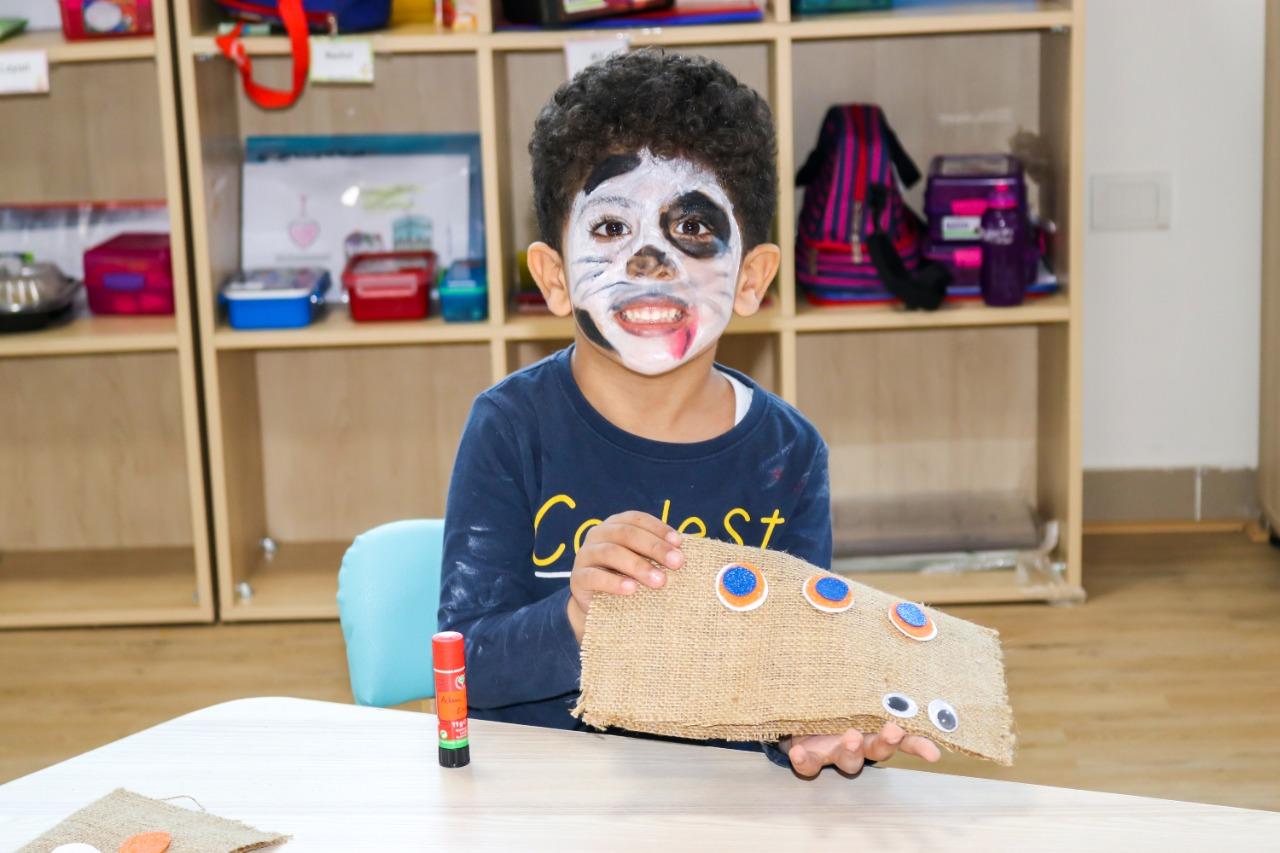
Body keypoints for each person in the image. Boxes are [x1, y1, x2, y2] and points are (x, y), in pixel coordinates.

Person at [438, 48, 940, 777]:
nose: (650, 260)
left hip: (723, 810)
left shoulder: (790, 457)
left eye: (695, 228)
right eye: (610, 228)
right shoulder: (510, 428)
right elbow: (465, 668)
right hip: (540, 803)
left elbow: (790, 684)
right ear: (551, 278)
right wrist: (577, 617)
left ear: (753, 279)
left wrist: (811, 732)